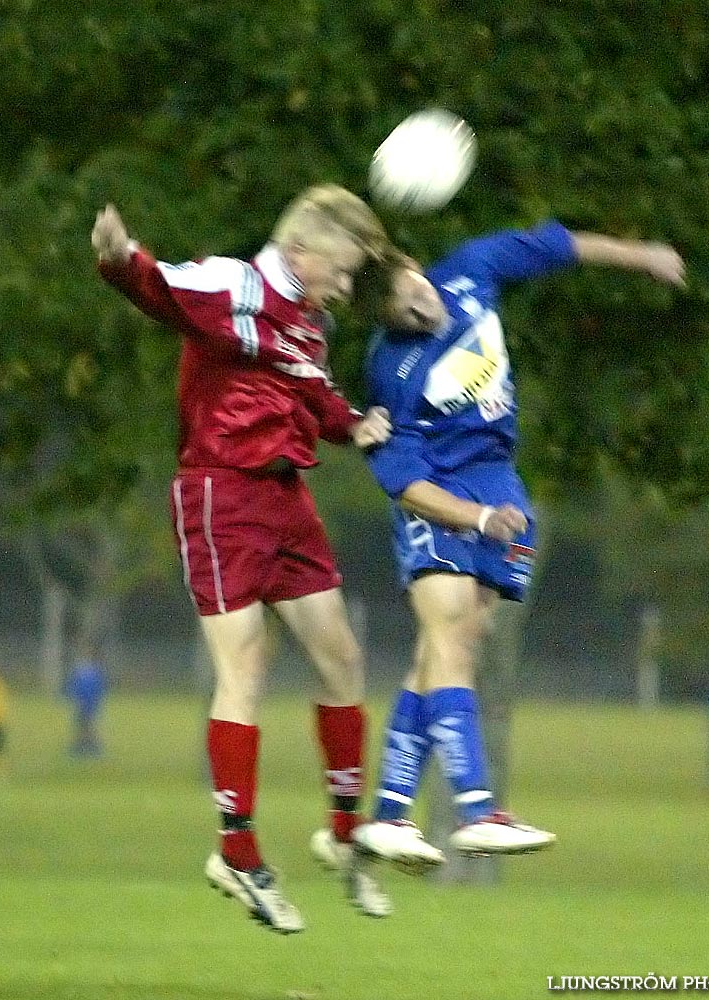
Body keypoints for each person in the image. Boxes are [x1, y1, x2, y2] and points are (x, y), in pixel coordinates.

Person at [91, 185, 426, 934]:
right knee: (245, 666)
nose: (343, 288)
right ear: (302, 250)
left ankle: (342, 836)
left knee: (341, 656)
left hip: (284, 497)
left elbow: (308, 395)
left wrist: (353, 425)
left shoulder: (309, 325)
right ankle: (236, 854)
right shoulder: (233, 285)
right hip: (220, 492)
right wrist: (119, 258)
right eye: (340, 272)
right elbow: (160, 286)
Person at [344, 223, 686, 865]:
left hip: (497, 481)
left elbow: (556, 246)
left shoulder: (472, 268)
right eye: (401, 313)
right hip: (444, 499)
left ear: (417, 265)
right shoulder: (390, 368)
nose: (421, 312)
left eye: (414, 293)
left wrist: (642, 255)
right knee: (448, 637)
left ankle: (391, 813)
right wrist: (471, 518)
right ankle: (476, 810)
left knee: (452, 645)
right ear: (384, 321)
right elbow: (406, 483)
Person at [63, 649, 108, 757]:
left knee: (83, 724)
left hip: (82, 702)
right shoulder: (96, 671)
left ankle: (85, 746)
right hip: (91, 702)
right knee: (88, 724)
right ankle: (88, 746)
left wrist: (72, 698)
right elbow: (101, 688)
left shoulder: (79, 671)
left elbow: (73, 687)